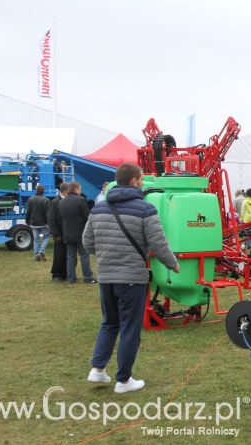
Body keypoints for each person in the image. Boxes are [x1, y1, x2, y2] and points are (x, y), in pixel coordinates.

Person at [83, 163, 179, 393]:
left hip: (106, 277)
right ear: (135, 181)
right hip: (131, 278)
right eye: (142, 178)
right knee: (129, 328)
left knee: (109, 323)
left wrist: (107, 255)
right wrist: (172, 264)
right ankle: (124, 381)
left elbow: (87, 242)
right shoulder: (145, 210)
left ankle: (97, 369)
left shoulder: (98, 209)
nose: (144, 181)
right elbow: (158, 243)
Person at [60, 181, 96, 284]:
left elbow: (60, 218)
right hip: (80, 233)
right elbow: (88, 217)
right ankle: (88, 277)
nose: (81, 191)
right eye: (80, 189)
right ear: (76, 189)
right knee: (84, 255)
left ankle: (71, 278)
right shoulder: (81, 200)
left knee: (70, 256)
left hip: (67, 233)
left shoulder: (62, 202)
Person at [48, 182, 70, 281]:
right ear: (66, 191)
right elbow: (51, 219)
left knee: (66, 254)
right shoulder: (55, 202)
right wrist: (56, 234)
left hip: (67, 232)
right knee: (59, 254)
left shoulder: (65, 201)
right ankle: (57, 274)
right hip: (59, 233)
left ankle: (65, 273)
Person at [25, 184, 51, 261]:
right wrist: (49, 223)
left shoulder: (30, 199)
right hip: (43, 223)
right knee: (46, 236)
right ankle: (41, 251)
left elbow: (28, 212)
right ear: (43, 191)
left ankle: (36, 254)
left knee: (36, 239)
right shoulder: (46, 200)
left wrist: (27, 221)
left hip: (33, 223)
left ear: (36, 191)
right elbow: (48, 213)